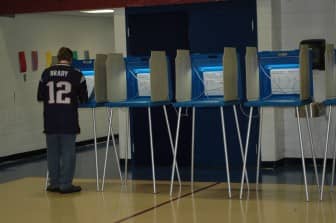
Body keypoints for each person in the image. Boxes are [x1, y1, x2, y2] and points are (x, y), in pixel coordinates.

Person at [37, 47, 88, 193]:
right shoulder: (77, 74)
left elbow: (40, 96)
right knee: (68, 153)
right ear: (71, 59)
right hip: (68, 120)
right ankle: (65, 184)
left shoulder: (46, 73)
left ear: (58, 58)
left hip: (50, 120)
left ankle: (54, 183)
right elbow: (84, 98)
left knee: (52, 153)